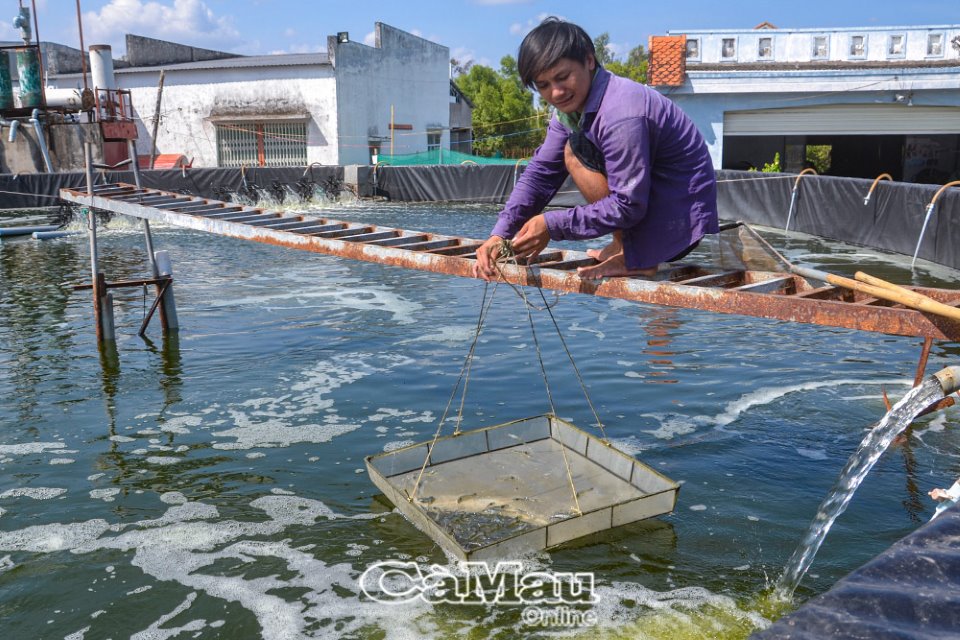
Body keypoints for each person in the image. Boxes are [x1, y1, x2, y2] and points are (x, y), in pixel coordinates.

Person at [473, 17, 718, 281]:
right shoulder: (570, 113)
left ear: (589, 60)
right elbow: (540, 174)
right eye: (543, 85)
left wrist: (550, 225)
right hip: (659, 213)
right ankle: (626, 245)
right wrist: (500, 234)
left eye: (563, 77)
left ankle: (639, 257)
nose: (556, 93)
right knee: (571, 149)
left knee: (573, 149)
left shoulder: (621, 113)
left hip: (678, 224)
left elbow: (628, 205)